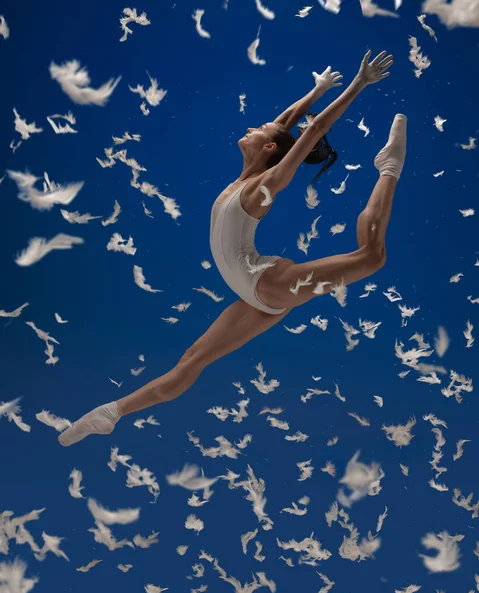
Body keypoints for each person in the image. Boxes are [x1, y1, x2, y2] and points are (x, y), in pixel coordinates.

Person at [59, 50, 406, 447]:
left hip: (267, 282)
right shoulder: (247, 175)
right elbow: (286, 125)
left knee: (371, 257)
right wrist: (315, 91)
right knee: (192, 360)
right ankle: (110, 413)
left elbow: (306, 134)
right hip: (253, 293)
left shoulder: (263, 186)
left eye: (258, 129)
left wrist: (358, 84)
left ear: (271, 151)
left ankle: (389, 166)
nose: (255, 125)